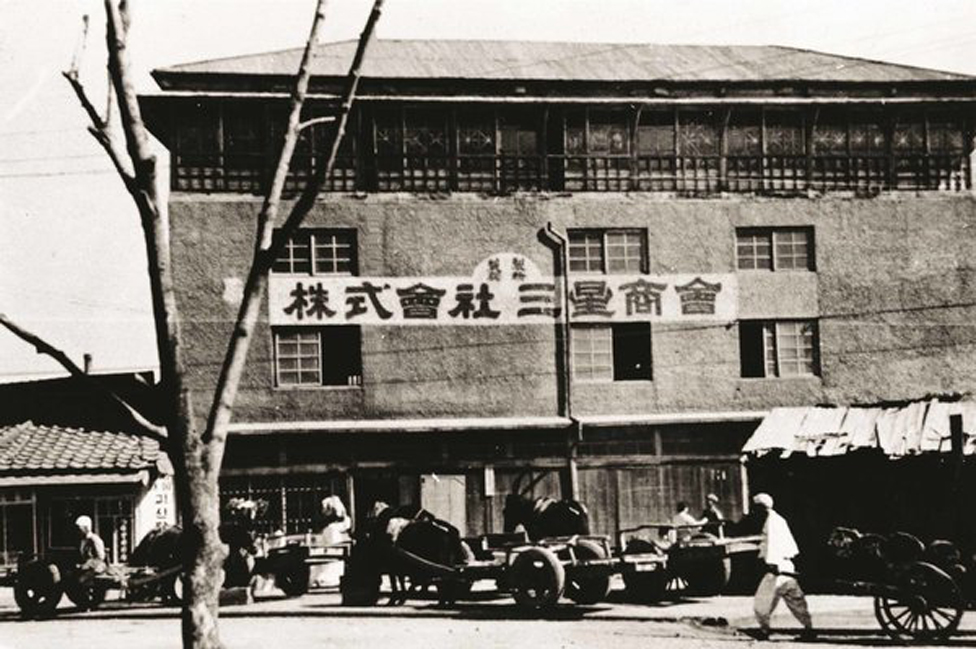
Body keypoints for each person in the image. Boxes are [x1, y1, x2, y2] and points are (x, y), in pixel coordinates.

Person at [751, 493, 815, 641]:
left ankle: (764, 631)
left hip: (777, 568)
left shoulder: (771, 522)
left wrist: (771, 564)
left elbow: (772, 544)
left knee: (762, 603)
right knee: (796, 600)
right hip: (787, 565)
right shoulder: (779, 519)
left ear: (761, 507)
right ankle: (809, 629)